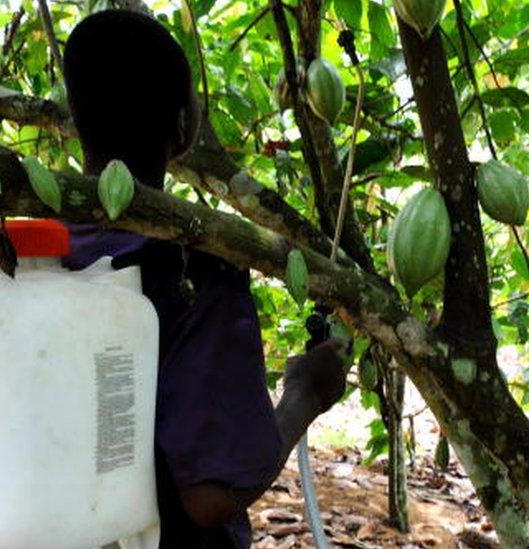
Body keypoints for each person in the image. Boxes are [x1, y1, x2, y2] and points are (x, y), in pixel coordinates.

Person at [61, 10, 350, 548]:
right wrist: (304, 397)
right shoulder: (195, 269)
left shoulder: (26, 250)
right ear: (183, 126)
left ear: (73, 119)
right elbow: (210, 498)